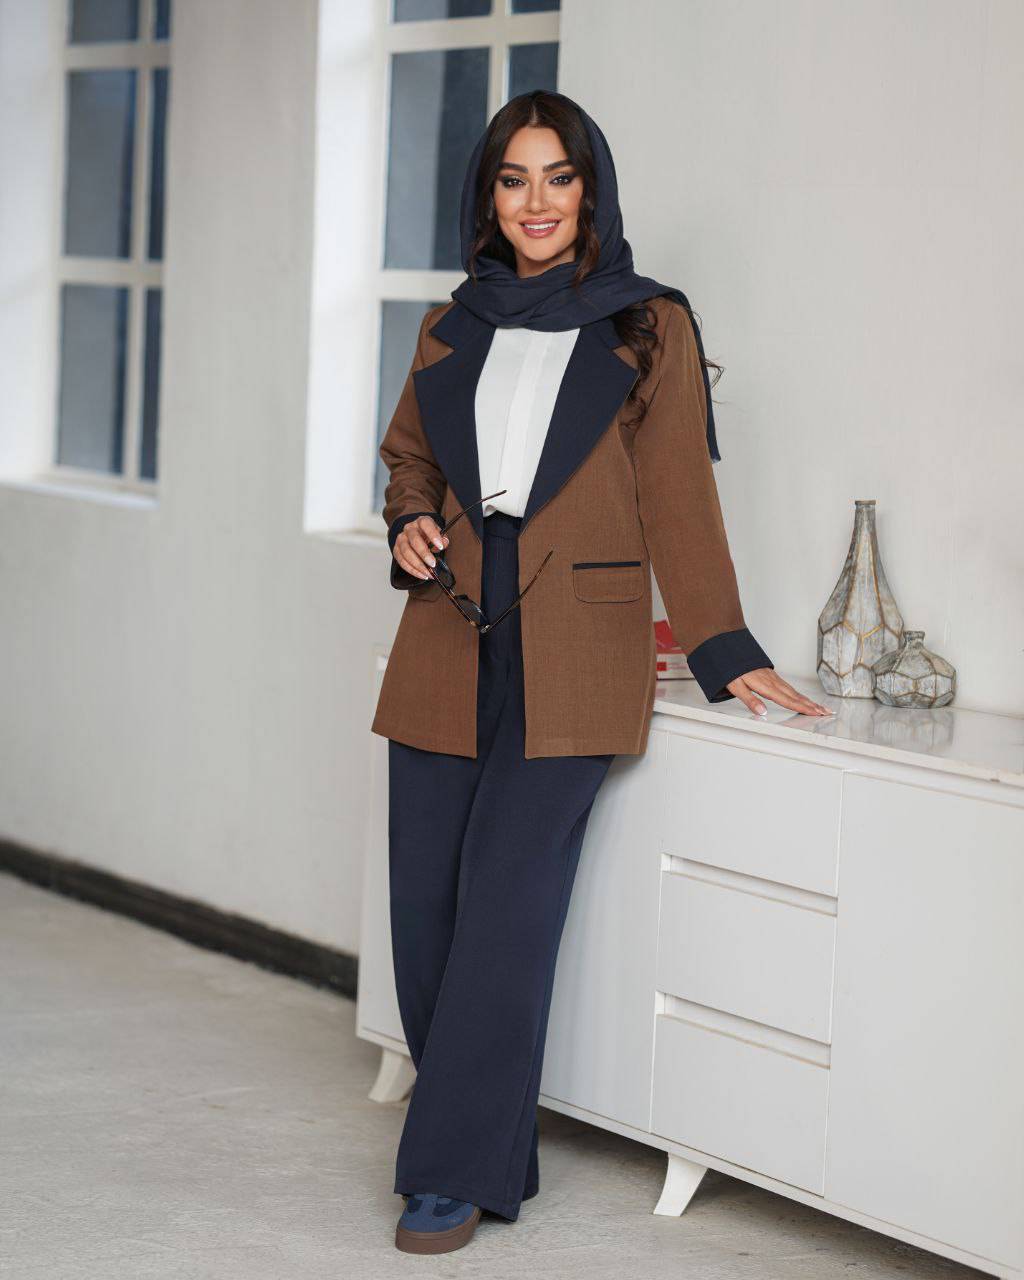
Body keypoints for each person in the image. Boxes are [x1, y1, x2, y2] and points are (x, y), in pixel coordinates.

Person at [371, 90, 832, 1255]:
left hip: (581, 642)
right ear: (487, 195)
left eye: (558, 177)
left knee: (505, 909)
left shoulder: (646, 324)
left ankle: (447, 1172)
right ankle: (485, 1140)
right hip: (445, 626)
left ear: (591, 191)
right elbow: (409, 457)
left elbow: (678, 493)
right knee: (425, 908)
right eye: (513, 178)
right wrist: (409, 519)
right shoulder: (450, 324)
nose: (535, 201)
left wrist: (726, 650)